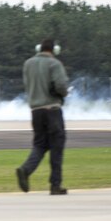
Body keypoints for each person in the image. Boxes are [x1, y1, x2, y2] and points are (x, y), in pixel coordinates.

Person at [16, 39, 70, 195]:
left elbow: (28, 85)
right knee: (56, 147)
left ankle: (25, 170)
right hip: (52, 109)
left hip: (36, 111)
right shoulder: (55, 64)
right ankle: (55, 185)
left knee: (40, 145)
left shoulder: (28, 64)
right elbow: (61, 86)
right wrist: (63, 93)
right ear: (54, 50)